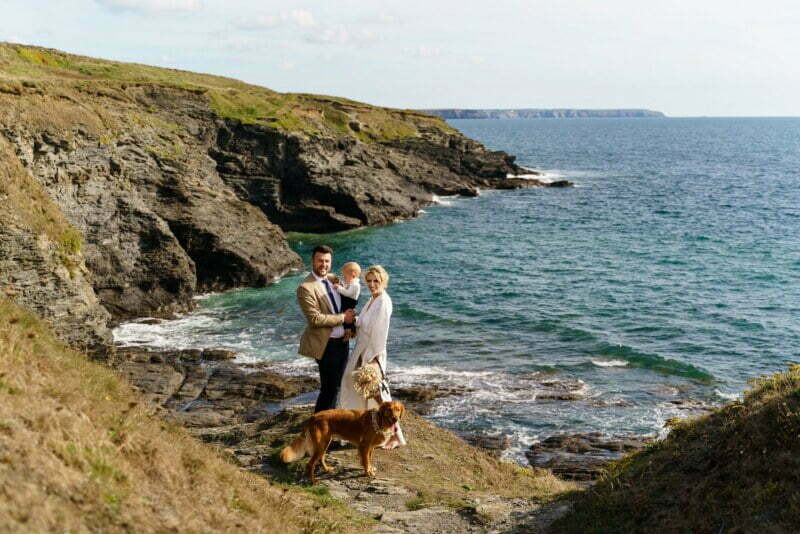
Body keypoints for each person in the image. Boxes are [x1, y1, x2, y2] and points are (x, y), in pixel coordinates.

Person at [338, 265, 406, 449]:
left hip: (372, 352)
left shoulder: (384, 301)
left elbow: (380, 332)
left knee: (377, 394)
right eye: (368, 281)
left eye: (376, 281)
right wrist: (353, 323)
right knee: (356, 387)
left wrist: (372, 358)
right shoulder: (372, 300)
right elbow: (364, 324)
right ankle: (359, 428)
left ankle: (394, 434)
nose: (372, 284)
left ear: (383, 281)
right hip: (361, 349)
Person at [297, 245, 356, 413]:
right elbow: (314, 319)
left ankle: (330, 426)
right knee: (329, 389)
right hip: (326, 345)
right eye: (320, 261)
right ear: (313, 261)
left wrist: (350, 324)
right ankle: (320, 428)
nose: (323, 264)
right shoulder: (305, 287)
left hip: (342, 341)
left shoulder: (332, 279)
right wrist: (343, 318)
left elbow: (346, 302)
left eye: (327, 261)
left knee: (339, 385)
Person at [334, 261, 361, 339]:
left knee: (348, 316)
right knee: (343, 315)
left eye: (345, 277)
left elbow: (348, 293)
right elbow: (345, 286)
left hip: (350, 302)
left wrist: (338, 288)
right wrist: (341, 284)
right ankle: (346, 329)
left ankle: (350, 331)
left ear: (353, 275)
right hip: (346, 300)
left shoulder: (355, 285)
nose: (344, 278)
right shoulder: (351, 282)